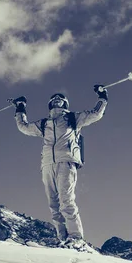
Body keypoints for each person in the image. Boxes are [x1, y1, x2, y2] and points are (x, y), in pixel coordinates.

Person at [12, 85, 108, 250]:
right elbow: (24, 127)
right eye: (54, 100)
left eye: (60, 99)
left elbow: (96, 114)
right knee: (54, 205)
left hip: (66, 162)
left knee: (66, 200)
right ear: (50, 104)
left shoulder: (73, 119)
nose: (57, 100)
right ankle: (63, 239)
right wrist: (20, 108)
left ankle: (76, 238)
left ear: (65, 104)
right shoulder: (44, 124)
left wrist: (102, 96)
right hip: (47, 165)